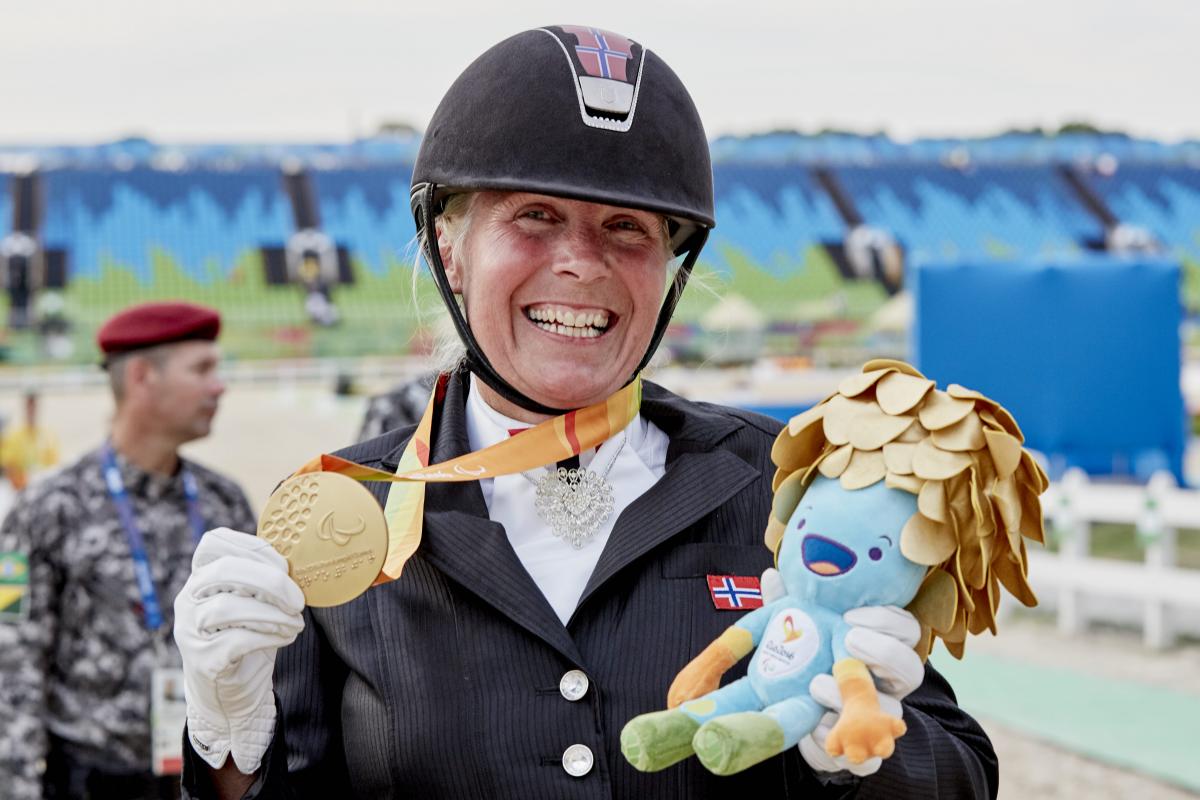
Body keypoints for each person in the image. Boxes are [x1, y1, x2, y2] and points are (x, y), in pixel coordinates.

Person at [175, 25, 998, 799]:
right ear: (450, 253)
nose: (580, 263)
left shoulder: (783, 484)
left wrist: (862, 759)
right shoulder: (344, 515)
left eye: (626, 228)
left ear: (669, 274)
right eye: (535, 217)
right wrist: (232, 745)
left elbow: (961, 771)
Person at [0, 301, 257, 800]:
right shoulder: (47, 509)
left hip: (204, 777)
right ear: (143, 376)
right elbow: (11, 662)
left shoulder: (223, 502)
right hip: (90, 780)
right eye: (202, 369)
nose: (219, 386)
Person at [0, 391, 61, 491]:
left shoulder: (48, 436)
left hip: (42, 487)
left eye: (34, 407)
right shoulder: (13, 436)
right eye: (29, 407)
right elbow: (7, 465)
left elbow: (55, 466)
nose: (31, 411)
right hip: (19, 488)